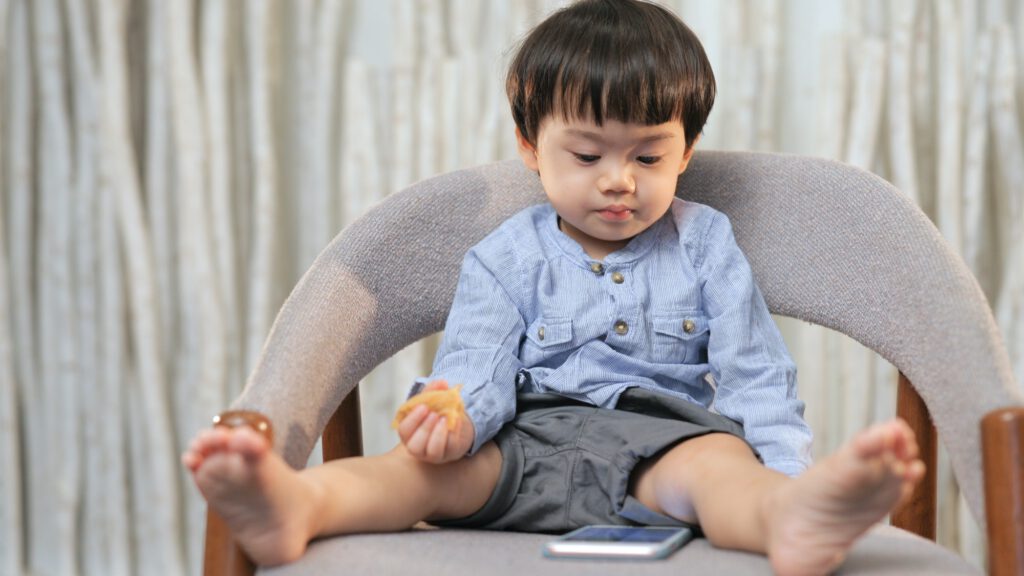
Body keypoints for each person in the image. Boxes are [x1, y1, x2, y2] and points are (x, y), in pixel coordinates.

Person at [183, 1, 925, 574]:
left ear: (687, 151)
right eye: (587, 151)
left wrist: (783, 466)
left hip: (661, 452)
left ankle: (791, 517)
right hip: (522, 443)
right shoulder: (506, 255)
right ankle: (296, 504)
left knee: (721, 474)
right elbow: (473, 363)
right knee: (415, 474)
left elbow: (755, 371)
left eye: (648, 155)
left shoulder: (704, 243)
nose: (617, 180)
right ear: (531, 146)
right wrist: (452, 417)